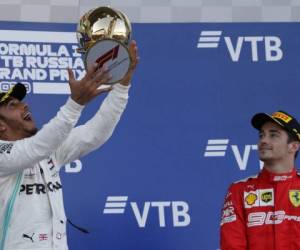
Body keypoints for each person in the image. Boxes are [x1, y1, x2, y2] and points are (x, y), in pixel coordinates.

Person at [0, 41, 139, 250]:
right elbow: (36, 148)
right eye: (13, 105)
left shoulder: (48, 151)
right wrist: (75, 104)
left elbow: (95, 132)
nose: (24, 105)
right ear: (1, 125)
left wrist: (122, 86)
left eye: (20, 101)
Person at [220, 110, 300, 250]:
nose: (263, 140)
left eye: (273, 135)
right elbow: (232, 246)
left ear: (293, 146)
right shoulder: (239, 190)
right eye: (261, 135)